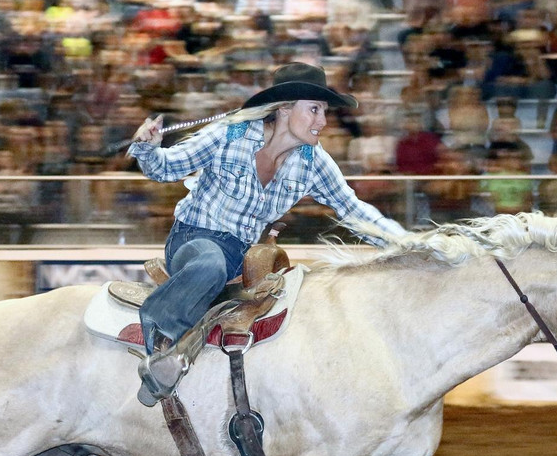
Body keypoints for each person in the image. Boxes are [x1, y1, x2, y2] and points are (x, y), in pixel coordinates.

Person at [127, 62, 407, 406]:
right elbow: (167, 168)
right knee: (210, 264)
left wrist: (405, 243)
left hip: (242, 256)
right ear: (284, 108)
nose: (322, 121)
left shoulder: (314, 162)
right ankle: (161, 337)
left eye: (324, 111)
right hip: (193, 240)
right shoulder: (229, 135)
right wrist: (148, 148)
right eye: (315, 109)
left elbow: (353, 209)